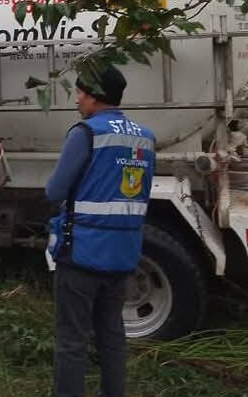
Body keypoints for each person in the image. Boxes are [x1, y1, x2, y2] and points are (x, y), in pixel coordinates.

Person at [45, 65, 156, 397]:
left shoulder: (85, 133)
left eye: (80, 92)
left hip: (82, 254)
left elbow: (54, 191)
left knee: (71, 340)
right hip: (123, 255)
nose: (77, 98)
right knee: (111, 335)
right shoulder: (145, 138)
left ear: (94, 96)